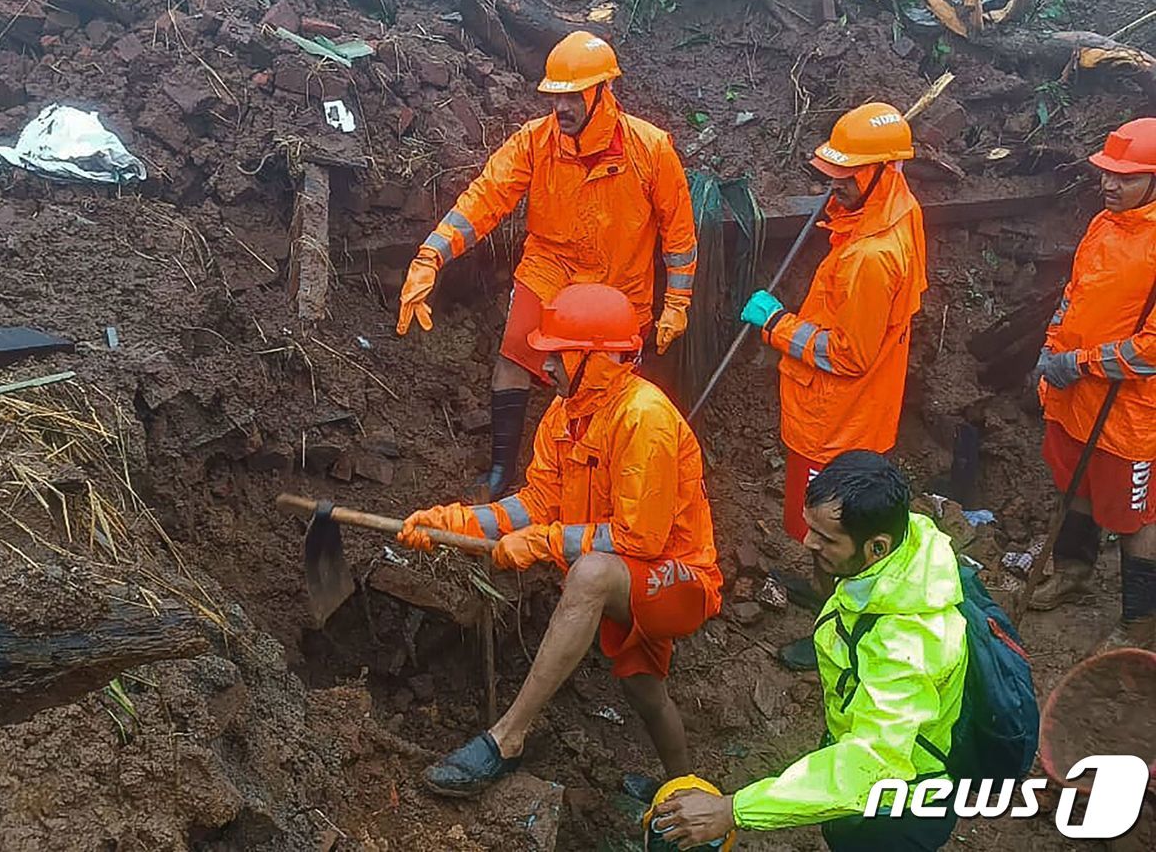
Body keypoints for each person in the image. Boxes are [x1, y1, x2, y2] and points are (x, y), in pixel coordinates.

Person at [394, 283, 721, 796]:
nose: (545, 366)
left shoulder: (644, 417)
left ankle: (508, 737)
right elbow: (537, 502)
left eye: (557, 354)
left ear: (594, 357)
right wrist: (455, 523)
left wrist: (542, 544)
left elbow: (640, 537)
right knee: (644, 691)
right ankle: (688, 791)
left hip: (681, 580)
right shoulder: (565, 414)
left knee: (589, 575)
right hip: (630, 577)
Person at [394, 31, 699, 502]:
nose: (562, 107)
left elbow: (678, 235)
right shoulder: (535, 142)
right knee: (514, 360)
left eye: (573, 97)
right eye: (556, 97)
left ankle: (607, 480)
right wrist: (431, 255)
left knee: (610, 389)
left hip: (618, 287)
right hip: (550, 270)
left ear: (602, 92)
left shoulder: (651, 149)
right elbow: (485, 198)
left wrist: (677, 304)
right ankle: (501, 472)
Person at [649, 451, 968, 852]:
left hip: (894, 810)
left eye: (827, 538)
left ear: (877, 547)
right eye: (812, 527)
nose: (807, 541)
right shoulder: (909, 549)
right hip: (864, 773)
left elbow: (870, 765)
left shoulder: (907, 646)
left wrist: (733, 810)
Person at [739, 102, 927, 669]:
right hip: (856, 413)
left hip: (837, 421)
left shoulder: (872, 257)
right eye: (832, 173)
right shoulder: (897, 211)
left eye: (845, 176)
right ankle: (827, 597)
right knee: (829, 528)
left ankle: (839, 636)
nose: (833, 185)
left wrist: (776, 324)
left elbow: (848, 353)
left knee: (830, 532)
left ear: (882, 171)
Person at [1030, 117, 1156, 651]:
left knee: (1134, 516)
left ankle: (1140, 621)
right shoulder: (1104, 224)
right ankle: (1073, 571)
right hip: (1074, 397)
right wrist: (1051, 346)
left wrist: (1079, 364)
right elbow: (1073, 294)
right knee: (1074, 483)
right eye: (1107, 173)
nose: (1110, 184)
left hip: (1129, 410)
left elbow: (1150, 350)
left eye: (1127, 177)